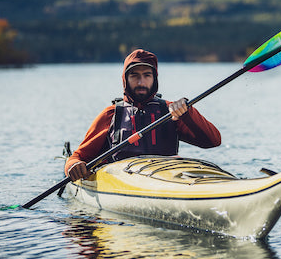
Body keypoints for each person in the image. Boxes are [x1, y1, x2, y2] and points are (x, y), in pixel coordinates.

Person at [65, 48, 221, 181]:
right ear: (125, 79)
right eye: (135, 76)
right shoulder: (110, 115)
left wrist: (188, 112)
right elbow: (78, 157)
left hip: (166, 180)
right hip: (122, 183)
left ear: (154, 79)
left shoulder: (171, 112)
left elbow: (213, 141)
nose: (141, 82)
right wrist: (73, 166)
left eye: (147, 75)